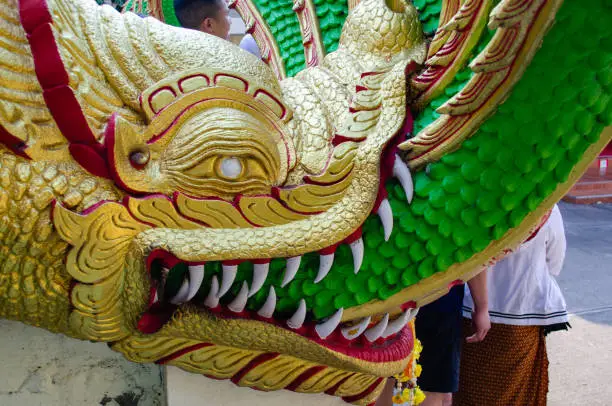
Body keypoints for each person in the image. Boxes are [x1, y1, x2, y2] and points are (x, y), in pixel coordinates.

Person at [455, 204, 569, 406]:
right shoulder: (547, 207)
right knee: (516, 391)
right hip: (521, 314)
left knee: (469, 387)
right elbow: (555, 262)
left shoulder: (480, 202)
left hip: (472, 310)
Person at [375, 272, 489, 406]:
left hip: (393, 295)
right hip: (436, 302)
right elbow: (473, 255)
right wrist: (482, 306)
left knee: (384, 379)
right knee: (430, 387)